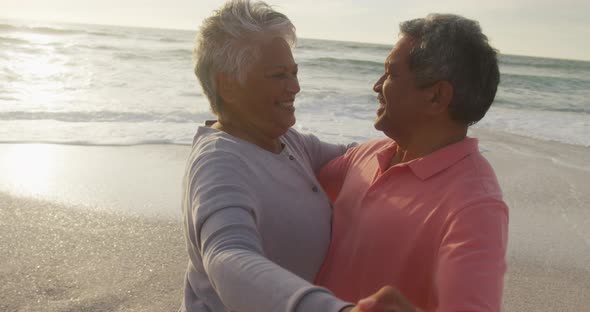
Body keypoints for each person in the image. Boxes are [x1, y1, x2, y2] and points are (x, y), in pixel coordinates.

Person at [179, 1, 377, 311]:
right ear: (228, 86)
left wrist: (410, 147)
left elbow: (355, 157)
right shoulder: (219, 163)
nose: (295, 87)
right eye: (279, 75)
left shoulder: (287, 142)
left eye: (295, 73)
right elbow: (227, 256)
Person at [316, 14, 509, 312]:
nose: (376, 86)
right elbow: (291, 175)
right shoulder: (367, 155)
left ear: (436, 96)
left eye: (391, 74)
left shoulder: (474, 205)